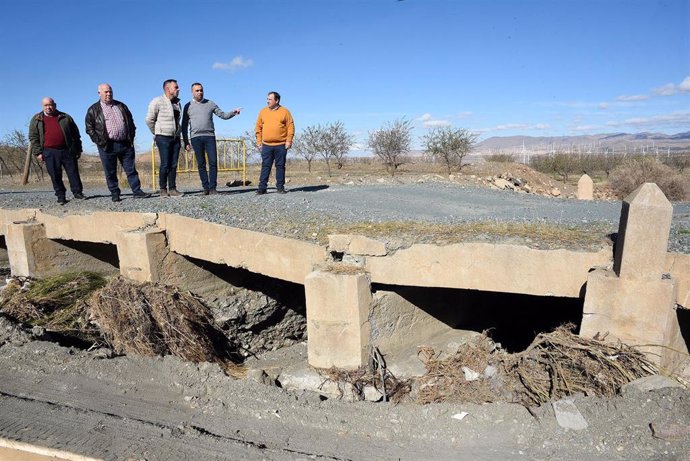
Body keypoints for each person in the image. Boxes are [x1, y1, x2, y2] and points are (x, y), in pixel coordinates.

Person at [85, 83, 151, 202]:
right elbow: (89, 128)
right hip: (107, 145)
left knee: (131, 169)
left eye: (110, 91)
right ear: (99, 93)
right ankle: (115, 193)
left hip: (125, 144)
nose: (109, 94)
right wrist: (99, 141)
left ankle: (137, 191)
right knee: (110, 171)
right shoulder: (93, 110)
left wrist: (131, 135)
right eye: (106, 92)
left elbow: (130, 122)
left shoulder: (121, 106)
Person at [181, 83, 241, 195]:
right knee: (201, 163)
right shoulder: (187, 106)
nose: (200, 92)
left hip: (209, 137)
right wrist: (186, 141)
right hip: (195, 137)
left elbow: (223, 115)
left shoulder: (210, 103)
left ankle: (213, 188)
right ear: (192, 92)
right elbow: (184, 125)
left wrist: (233, 112)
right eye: (197, 90)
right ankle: (206, 188)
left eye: (201, 90)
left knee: (213, 162)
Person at [28, 97, 85, 205]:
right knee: (55, 175)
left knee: (73, 172)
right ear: (42, 106)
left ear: (55, 105)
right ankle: (61, 195)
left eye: (50, 105)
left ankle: (78, 192)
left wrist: (78, 148)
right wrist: (38, 152)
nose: (48, 107)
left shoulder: (65, 117)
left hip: (67, 149)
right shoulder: (37, 119)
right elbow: (33, 137)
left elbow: (76, 134)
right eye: (46, 105)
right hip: (49, 151)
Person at [145, 79, 184, 197]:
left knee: (173, 164)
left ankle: (172, 189)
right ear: (168, 89)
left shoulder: (177, 103)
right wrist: (157, 133)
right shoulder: (157, 101)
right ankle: (163, 189)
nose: (178, 89)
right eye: (176, 87)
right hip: (163, 137)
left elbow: (177, 120)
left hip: (175, 137)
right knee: (165, 164)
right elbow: (149, 120)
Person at [254, 91, 295, 195]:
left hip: (281, 144)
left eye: (270, 99)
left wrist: (289, 141)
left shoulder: (285, 111)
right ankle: (262, 188)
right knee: (265, 166)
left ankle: (280, 187)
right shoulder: (263, 112)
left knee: (280, 166)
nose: (267, 101)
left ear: (276, 100)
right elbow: (258, 128)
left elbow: (290, 127)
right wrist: (259, 142)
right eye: (267, 99)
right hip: (266, 145)